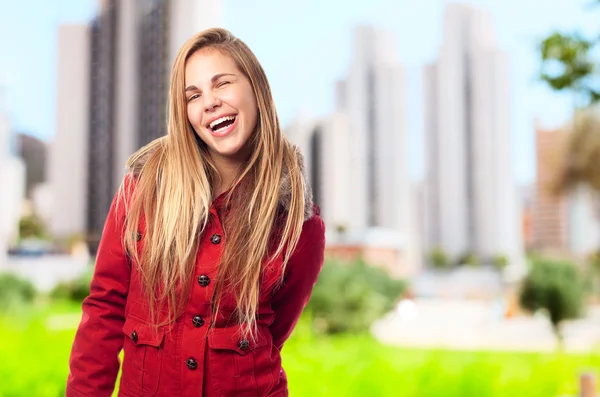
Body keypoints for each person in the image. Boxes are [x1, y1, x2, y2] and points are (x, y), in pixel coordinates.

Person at [66, 28, 326, 397]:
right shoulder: (141, 191)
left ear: (256, 89)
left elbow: (273, 330)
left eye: (222, 84)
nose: (209, 103)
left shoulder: (297, 221)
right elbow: (105, 310)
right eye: (194, 95)